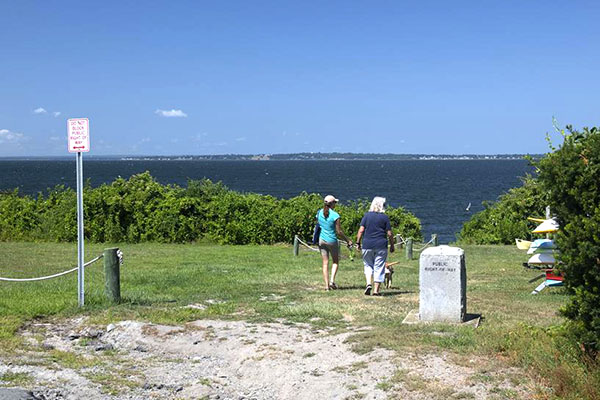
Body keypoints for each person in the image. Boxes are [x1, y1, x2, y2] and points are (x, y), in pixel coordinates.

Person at [356, 196, 395, 296]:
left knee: (368, 265)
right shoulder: (384, 217)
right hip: (381, 245)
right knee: (379, 266)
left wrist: (358, 243)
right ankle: (376, 290)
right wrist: (392, 245)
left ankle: (368, 283)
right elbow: (389, 233)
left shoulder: (366, 216)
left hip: (367, 244)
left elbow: (361, 230)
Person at [316, 195, 353, 291]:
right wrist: (348, 240)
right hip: (332, 240)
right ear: (332, 204)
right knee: (335, 261)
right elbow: (339, 232)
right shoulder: (335, 215)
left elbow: (319, 224)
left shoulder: (319, 212)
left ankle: (326, 286)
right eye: (335, 202)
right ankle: (332, 281)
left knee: (325, 263)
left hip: (321, 240)